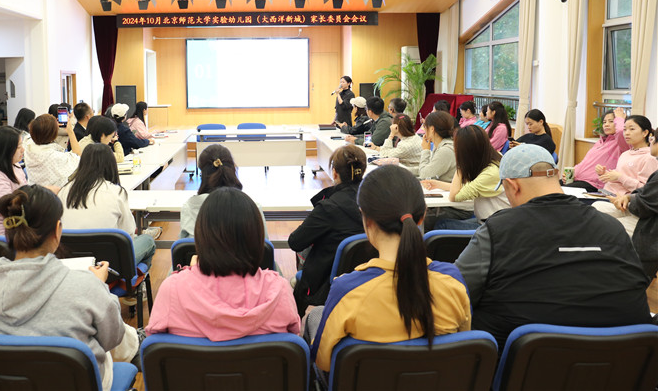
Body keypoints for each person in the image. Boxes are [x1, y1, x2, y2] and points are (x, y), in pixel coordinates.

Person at [455, 144, 651, 349]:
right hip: (622, 358)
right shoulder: (612, 228)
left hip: (523, 361)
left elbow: (456, 292)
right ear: (556, 175)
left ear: (513, 186)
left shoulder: (498, 229)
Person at [0, 186, 138, 391]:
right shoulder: (85, 286)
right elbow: (112, 339)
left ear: (8, 231)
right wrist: (99, 286)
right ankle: (137, 342)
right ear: (57, 230)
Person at [310, 165, 471, 372]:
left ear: (366, 220)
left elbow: (324, 362)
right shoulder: (454, 281)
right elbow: (461, 347)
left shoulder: (347, 291)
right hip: (438, 382)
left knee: (315, 317)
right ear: (422, 216)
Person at [146, 187, 300, 340]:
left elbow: (154, 347)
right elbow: (293, 341)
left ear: (201, 235)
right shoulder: (279, 291)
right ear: (257, 236)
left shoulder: (172, 289)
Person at [288, 145, 366, 315]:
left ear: (335, 173)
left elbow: (295, 242)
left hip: (327, 281)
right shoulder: (376, 201)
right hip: (369, 277)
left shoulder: (329, 207)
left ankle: (295, 322)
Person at [58, 143, 159, 266]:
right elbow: (128, 234)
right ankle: (133, 277)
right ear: (111, 165)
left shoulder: (64, 191)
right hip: (110, 266)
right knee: (147, 240)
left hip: (72, 263)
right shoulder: (116, 192)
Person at [422, 125, 509, 230]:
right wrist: (439, 185)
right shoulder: (494, 158)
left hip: (492, 227)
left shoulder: (490, 174)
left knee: (440, 224)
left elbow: (454, 196)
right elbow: (467, 187)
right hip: (493, 221)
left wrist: (460, 164)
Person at [180, 144, 267, 238]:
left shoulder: (190, 208)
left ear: (202, 173)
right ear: (233, 169)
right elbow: (265, 244)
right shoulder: (253, 208)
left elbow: (184, 245)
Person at [611, 135, 658, 278]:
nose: (651, 141)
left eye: (653, 138)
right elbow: (647, 191)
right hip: (634, 204)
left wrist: (627, 201)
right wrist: (629, 197)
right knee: (598, 208)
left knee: (608, 227)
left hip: (651, 226)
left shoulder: (649, 159)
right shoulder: (625, 154)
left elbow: (644, 205)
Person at [564, 107, 628, 192]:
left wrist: (619, 118)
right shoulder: (600, 142)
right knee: (553, 186)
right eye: (604, 122)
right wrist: (572, 174)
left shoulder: (621, 143)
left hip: (594, 185)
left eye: (611, 121)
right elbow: (585, 163)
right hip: (579, 180)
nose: (606, 124)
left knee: (559, 192)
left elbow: (621, 132)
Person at [597, 115, 658, 196]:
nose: (627, 133)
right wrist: (606, 174)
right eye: (625, 129)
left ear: (645, 133)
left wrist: (620, 177)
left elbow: (645, 190)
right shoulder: (625, 154)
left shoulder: (649, 157)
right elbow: (618, 177)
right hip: (605, 192)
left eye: (632, 129)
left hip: (621, 199)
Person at [23, 113, 81, 189]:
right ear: (54, 134)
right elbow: (77, 155)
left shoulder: (27, 146)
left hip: (33, 192)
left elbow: (35, 133)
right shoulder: (55, 157)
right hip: (54, 194)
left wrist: (51, 124)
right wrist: (70, 131)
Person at [418, 111, 456, 182]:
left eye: (425, 126)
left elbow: (424, 175)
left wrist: (425, 151)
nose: (424, 130)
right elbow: (428, 167)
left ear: (432, 129)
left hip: (443, 188)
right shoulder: (441, 145)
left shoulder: (445, 151)